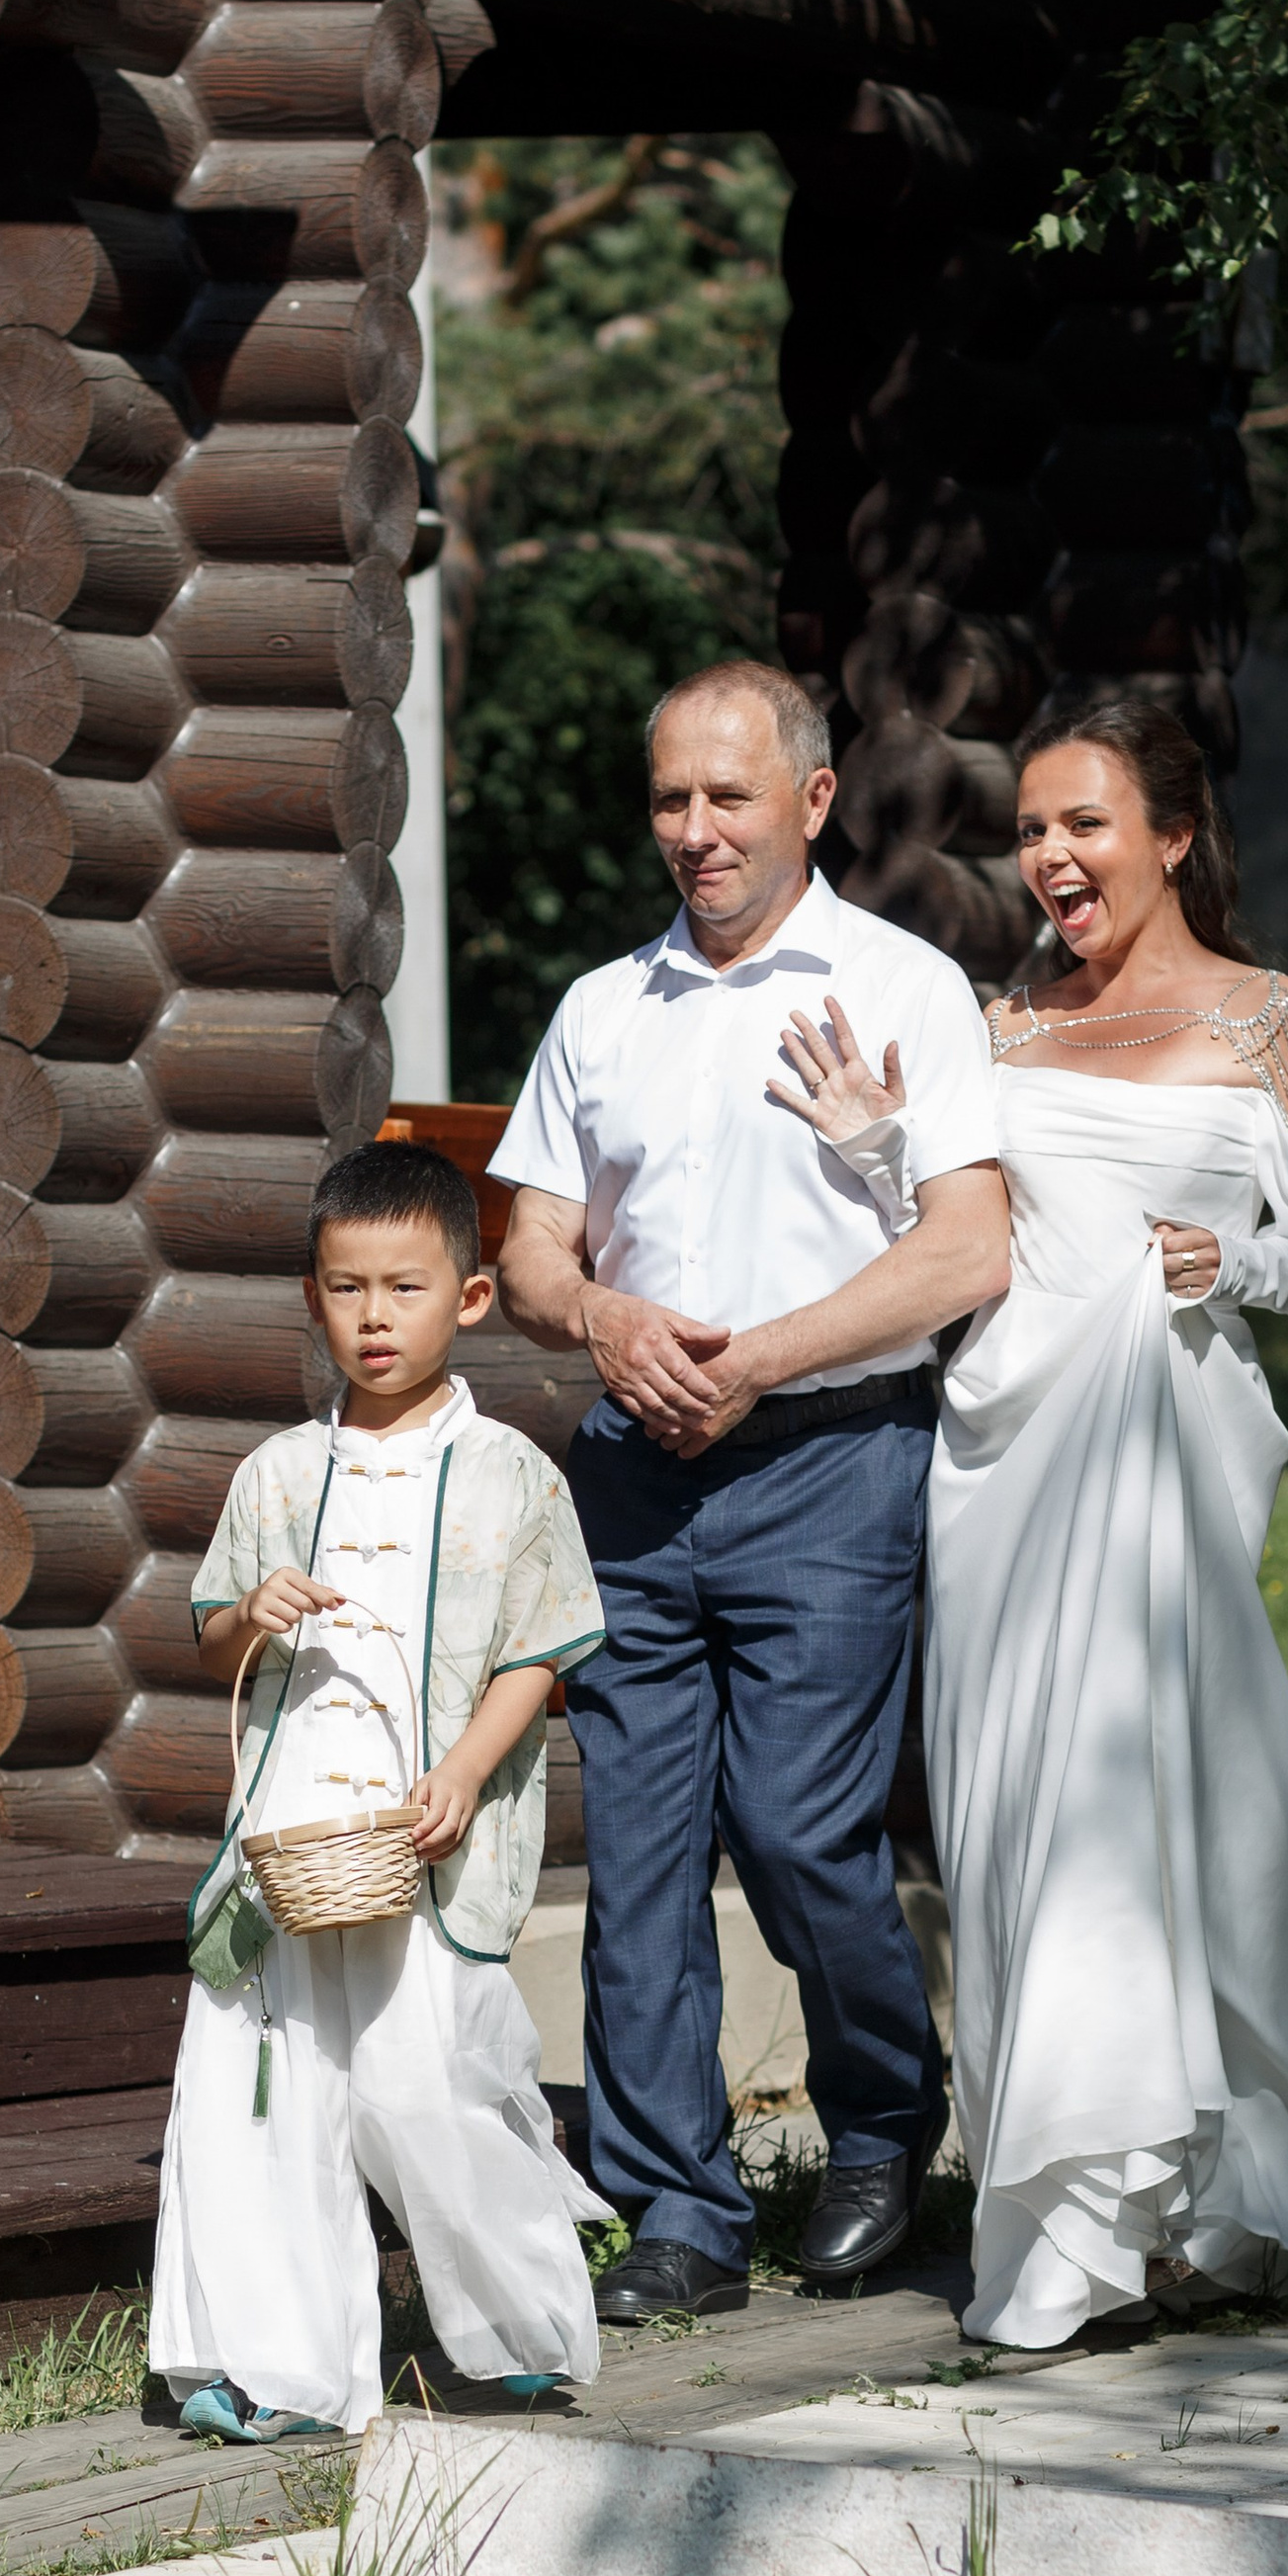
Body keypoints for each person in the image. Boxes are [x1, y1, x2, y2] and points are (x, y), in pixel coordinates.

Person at [779, 688, 1288, 2346]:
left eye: (1087, 824)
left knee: (1136, 1814)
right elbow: (966, 1246)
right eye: (1037, 829)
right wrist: (872, 1151)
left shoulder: (1273, 1019)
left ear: (1174, 836)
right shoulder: (1004, 1028)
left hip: (1165, 1453)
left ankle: (1092, 2236)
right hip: (999, 1468)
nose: (1055, 858)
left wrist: (1235, 1264)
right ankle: (1223, 2186)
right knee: (1013, 1829)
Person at [491, 659, 1010, 2322]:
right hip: (635, 1480)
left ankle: (879, 2121)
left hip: (834, 1468)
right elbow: (528, 1245)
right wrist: (603, 1316)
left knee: (798, 1830)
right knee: (636, 1867)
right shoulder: (601, 1009)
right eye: (669, 799)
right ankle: (680, 2215)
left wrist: (762, 1356)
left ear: (810, 800)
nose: (695, 831)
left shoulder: (908, 986)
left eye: (727, 796)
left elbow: (968, 1245)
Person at [150, 1140, 610, 2439]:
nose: (373, 1318)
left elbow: (537, 1648)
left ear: (468, 1297)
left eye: (404, 1289)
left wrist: (466, 1774)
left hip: (426, 1824)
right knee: (263, 2071)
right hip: (297, 1829)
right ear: (313, 1296)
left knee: (427, 2074)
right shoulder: (279, 1472)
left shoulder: (516, 1474)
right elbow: (216, 1641)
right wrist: (254, 1609)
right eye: (347, 1289)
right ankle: (263, 2363)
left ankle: (516, 2328)